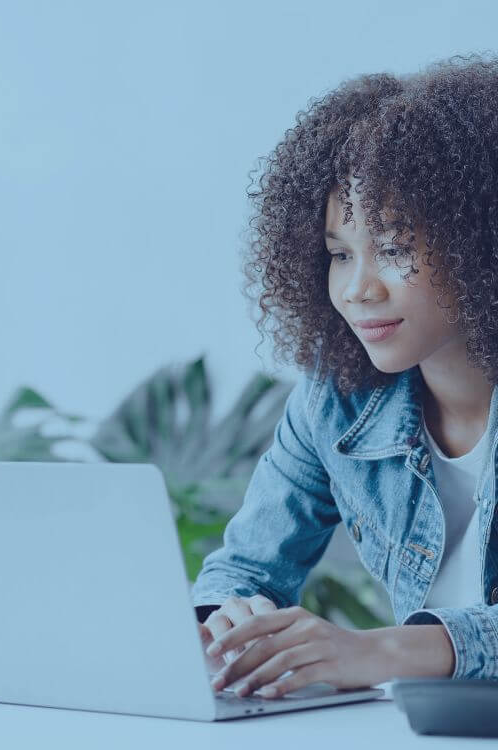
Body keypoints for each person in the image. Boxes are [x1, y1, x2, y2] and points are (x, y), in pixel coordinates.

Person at [191, 54, 498, 700]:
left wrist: (379, 649)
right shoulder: (337, 401)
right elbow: (246, 570)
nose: (357, 289)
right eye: (338, 254)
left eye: (393, 249)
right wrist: (227, 624)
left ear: (479, 242)